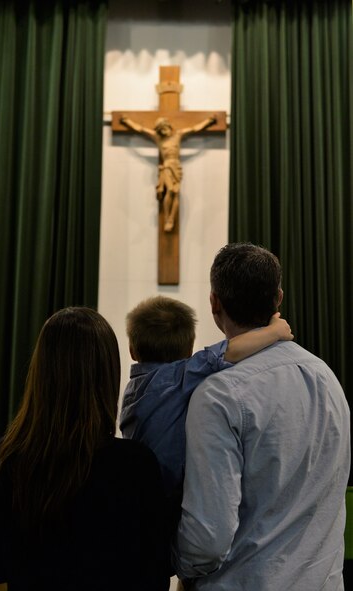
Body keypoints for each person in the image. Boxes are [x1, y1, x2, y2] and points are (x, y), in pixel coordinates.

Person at [172, 243, 351, 591]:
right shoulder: (327, 378)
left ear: (214, 303)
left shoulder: (218, 396)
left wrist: (172, 562)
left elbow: (208, 540)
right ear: (279, 298)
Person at [0, 307, 171, 591]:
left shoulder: (8, 458)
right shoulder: (136, 465)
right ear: (107, 373)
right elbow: (158, 572)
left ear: (41, 372)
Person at [120, 295, 293, 527]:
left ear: (132, 350)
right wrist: (276, 332)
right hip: (169, 507)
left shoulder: (134, 389)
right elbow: (226, 352)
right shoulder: (175, 379)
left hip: (138, 503)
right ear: (190, 349)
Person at [120, 115, 216, 231]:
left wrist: (208, 121)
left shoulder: (178, 135)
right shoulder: (158, 138)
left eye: (163, 128)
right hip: (166, 167)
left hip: (176, 167)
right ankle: (167, 218)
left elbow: (194, 129)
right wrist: (127, 121)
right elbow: (140, 129)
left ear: (168, 126)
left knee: (176, 192)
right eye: (160, 129)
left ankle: (171, 218)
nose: (162, 131)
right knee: (170, 190)